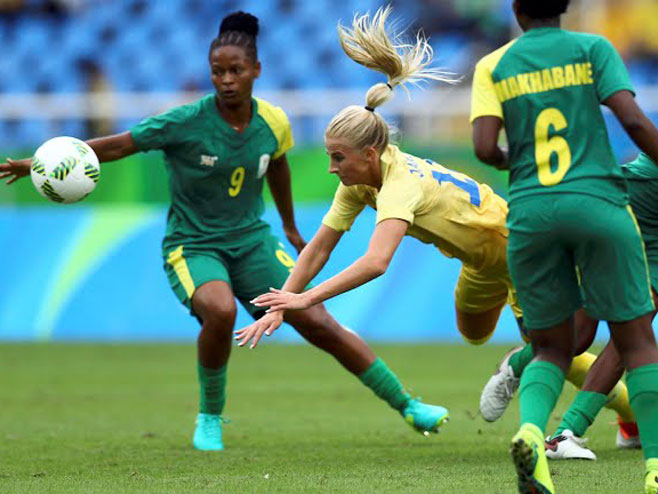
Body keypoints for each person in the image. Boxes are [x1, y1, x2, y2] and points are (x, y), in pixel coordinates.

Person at [0, 11, 449, 452]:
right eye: (218, 71)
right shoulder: (183, 122)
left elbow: (277, 165)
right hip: (192, 244)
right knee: (219, 310)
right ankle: (210, 418)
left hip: (251, 240)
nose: (226, 79)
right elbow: (121, 144)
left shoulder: (273, 122)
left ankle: (408, 405)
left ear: (256, 70)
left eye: (236, 70)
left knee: (317, 320)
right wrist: (38, 162)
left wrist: (290, 225)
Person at [233, 6, 639, 433]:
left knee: (555, 350)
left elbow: (376, 262)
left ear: (369, 154)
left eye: (338, 157)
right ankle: (532, 360)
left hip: (516, 248)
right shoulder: (360, 180)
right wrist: (282, 304)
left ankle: (620, 415)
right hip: (479, 261)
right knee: (474, 333)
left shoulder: (400, 184)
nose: (332, 167)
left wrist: (304, 299)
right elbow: (318, 247)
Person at [471, 0, 658, 492]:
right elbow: (635, 124)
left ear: (515, 8)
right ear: (567, 5)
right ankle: (656, 468)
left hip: (532, 213)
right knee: (637, 341)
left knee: (554, 347)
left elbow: (485, 148)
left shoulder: (493, 64)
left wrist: (526, 162)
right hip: (598, 203)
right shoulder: (592, 48)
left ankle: (534, 436)